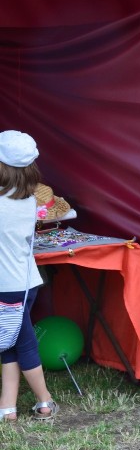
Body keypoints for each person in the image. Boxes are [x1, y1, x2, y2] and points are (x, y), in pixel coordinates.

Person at [0, 130, 59, 421]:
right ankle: (7, 406)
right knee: (9, 342)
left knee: (21, 343)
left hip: (6, 287)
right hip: (24, 283)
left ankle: (45, 401)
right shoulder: (28, 202)